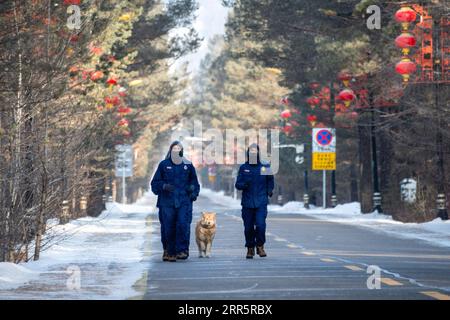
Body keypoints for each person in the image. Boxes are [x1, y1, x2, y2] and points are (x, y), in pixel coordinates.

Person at [151, 141, 200, 262]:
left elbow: (194, 182)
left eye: (179, 148)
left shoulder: (188, 165)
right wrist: (164, 186)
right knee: (168, 227)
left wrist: (193, 192)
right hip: (167, 202)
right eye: (174, 148)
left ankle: (182, 250)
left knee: (183, 225)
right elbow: (154, 183)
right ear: (170, 150)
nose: (176, 150)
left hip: (184, 201)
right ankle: (169, 251)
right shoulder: (164, 165)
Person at [235, 143, 274, 259]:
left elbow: (270, 181)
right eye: (251, 151)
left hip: (261, 202)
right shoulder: (244, 168)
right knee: (248, 227)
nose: (253, 153)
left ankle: (260, 246)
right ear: (248, 153)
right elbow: (237, 184)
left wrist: (269, 190)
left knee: (261, 226)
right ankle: (250, 248)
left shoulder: (265, 167)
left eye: (255, 151)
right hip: (247, 203)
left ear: (258, 152)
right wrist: (243, 185)